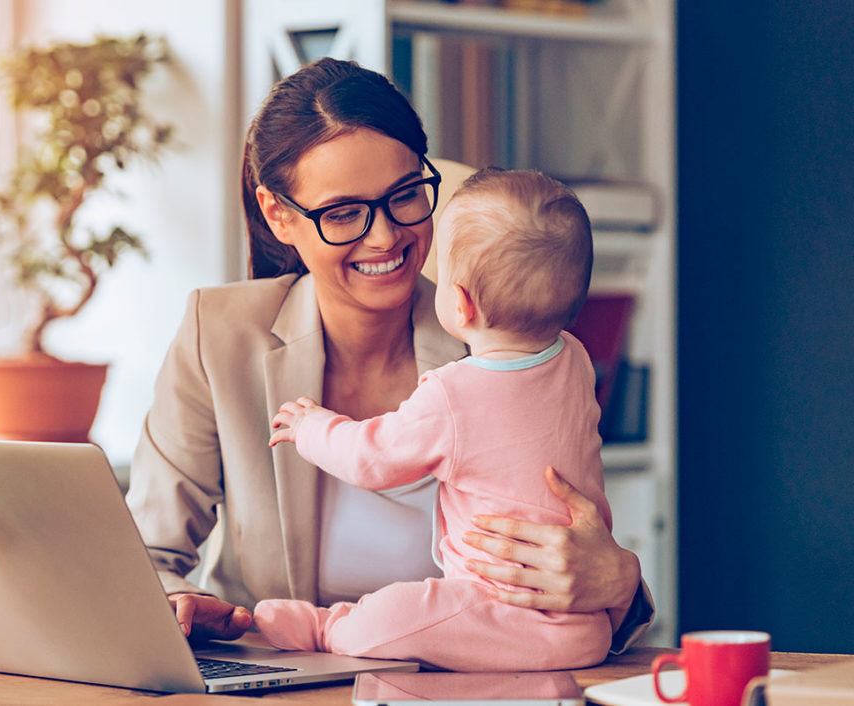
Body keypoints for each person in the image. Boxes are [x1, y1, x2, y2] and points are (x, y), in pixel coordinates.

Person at [125, 56, 652, 651]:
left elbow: (574, 534)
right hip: (281, 678)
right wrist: (178, 605)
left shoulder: (503, 337)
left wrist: (620, 581)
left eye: (404, 195)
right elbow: (144, 553)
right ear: (279, 215)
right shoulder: (217, 334)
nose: (385, 236)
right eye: (344, 213)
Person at [254, 168, 611, 671]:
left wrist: (310, 427)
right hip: (584, 627)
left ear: (460, 304)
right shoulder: (575, 360)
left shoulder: (454, 393)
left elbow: (371, 458)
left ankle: (327, 627)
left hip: (495, 606)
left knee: (398, 611)